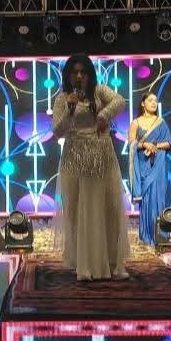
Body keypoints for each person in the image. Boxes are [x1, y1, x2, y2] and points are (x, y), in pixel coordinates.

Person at [52, 54, 129, 281]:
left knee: (107, 207)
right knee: (76, 210)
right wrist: (70, 109)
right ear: (68, 75)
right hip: (74, 157)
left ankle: (110, 261)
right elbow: (58, 131)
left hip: (101, 155)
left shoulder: (99, 91)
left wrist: (104, 115)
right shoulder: (62, 99)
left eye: (83, 72)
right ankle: (83, 263)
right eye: (74, 72)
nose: (79, 76)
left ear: (89, 75)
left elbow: (120, 101)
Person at [128, 92, 171, 245]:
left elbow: (169, 142)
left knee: (158, 198)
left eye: (155, 100)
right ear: (143, 103)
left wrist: (154, 146)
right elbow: (132, 144)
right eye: (150, 100)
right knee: (146, 200)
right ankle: (146, 235)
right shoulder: (136, 123)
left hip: (158, 165)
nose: (154, 103)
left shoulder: (161, 122)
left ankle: (160, 235)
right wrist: (144, 144)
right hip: (143, 165)